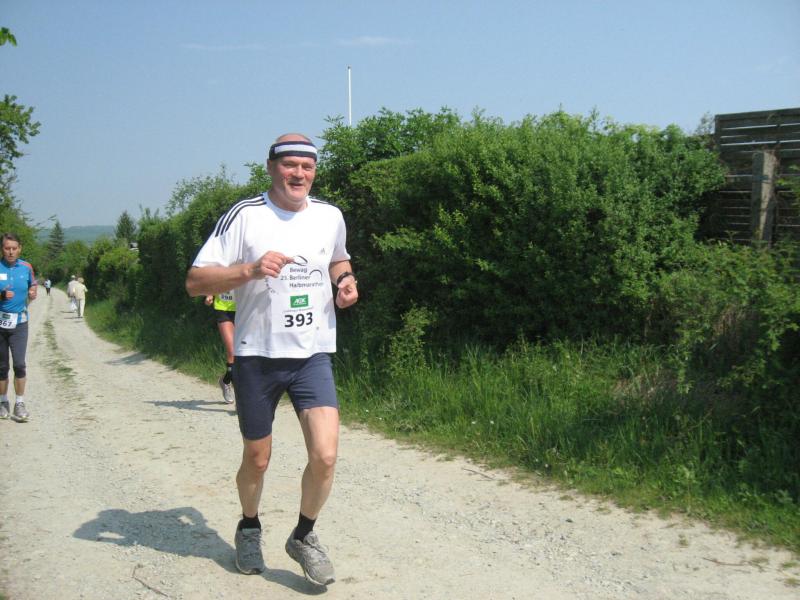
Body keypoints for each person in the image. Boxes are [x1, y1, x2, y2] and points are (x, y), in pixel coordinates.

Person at [185, 134, 358, 586]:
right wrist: (249, 269)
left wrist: (345, 281)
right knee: (258, 458)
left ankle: (303, 536)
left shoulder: (330, 216)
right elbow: (195, 281)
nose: (298, 174)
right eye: (289, 165)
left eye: (307, 166)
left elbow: (338, 259)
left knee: (326, 455)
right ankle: (249, 526)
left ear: (314, 171)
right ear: (270, 167)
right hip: (257, 356)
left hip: (311, 353)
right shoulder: (245, 215)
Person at [0, 233, 38, 422]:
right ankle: (3, 402)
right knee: (2, 366)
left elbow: (33, 283)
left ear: (19, 249)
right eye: (7, 248)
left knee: (19, 364)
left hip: (20, 323)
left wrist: (33, 292)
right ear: (2, 249)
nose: (11, 252)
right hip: (0, 324)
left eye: (14, 248)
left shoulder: (26, 267)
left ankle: (20, 403)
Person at [204, 291, 236, 404]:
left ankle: (225, 380)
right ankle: (242, 402)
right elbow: (213, 280)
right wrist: (209, 294)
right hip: (223, 308)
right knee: (232, 352)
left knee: (245, 356)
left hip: (244, 308)